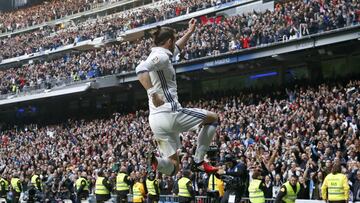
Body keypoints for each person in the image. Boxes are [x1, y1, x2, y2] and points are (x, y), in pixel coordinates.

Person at [135, 18, 219, 176]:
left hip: (155, 122)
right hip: (170, 113)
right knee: (213, 118)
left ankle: (156, 162)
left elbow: (177, 48)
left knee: (174, 167)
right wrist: (153, 93)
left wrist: (189, 32)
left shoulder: (161, 54)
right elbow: (140, 69)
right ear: (168, 41)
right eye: (173, 40)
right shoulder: (162, 57)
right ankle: (199, 161)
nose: (175, 43)